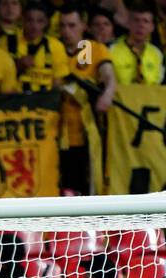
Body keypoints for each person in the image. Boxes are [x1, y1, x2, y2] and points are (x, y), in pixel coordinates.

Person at [57, 5, 114, 194]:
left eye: (72, 25)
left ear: (83, 25)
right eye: (63, 26)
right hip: (53, 132)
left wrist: (108, 92)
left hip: (84, 133)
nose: (67, 31)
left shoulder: (91, 48)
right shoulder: (53, 48)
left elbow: (107, 75)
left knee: (82, 188)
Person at [110, 2, 164, 83]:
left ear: (152, 27)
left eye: (145, 21)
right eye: (136, 20)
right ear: (128, 23)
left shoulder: (156, 53)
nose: (140, 25)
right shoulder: (112, 50)